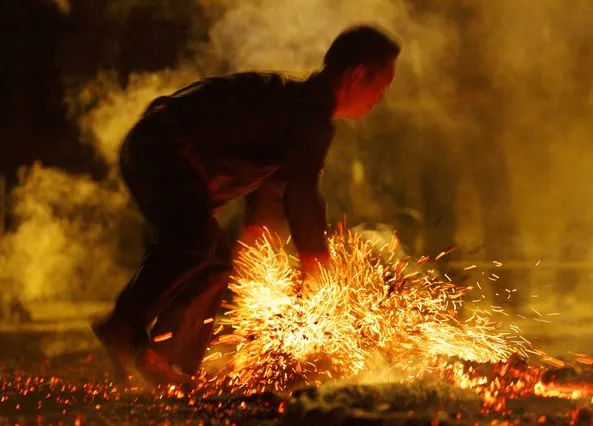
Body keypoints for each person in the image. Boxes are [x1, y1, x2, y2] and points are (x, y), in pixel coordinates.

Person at [92, 24, 400, 386]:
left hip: (163, 154)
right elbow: (301, 192)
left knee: (216, 263)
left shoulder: (299, 111)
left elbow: (275, 182)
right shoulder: (306, 114)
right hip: (160, 149)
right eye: (381, 87)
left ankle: (163, 357)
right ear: (358, 75)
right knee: (193, 244)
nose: (379, 99)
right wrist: (315, 263)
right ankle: (124, 328)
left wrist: (256, 231)